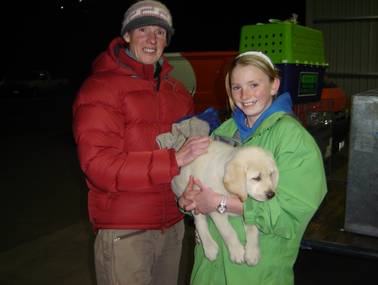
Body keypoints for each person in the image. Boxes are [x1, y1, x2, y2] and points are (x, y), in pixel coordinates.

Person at [72, 1, 210, 284]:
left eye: (160, 33)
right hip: (126, 232)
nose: (151, 39)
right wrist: (172, 160)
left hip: (172, 227)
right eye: (142, 30)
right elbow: (98, 166)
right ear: (126, 35)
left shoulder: (178, 92)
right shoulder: (100, 89)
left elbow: (192, 158)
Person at [179, 51, 328, 285]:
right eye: (236, 87)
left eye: (254, 84)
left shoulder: (292, 139)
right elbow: (200, 191)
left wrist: (222, 203)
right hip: (210, 271)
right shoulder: (223, 132)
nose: (245, 95)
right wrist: (189, 200)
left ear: (274, 85)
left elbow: (291, 216)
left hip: (256, 273)